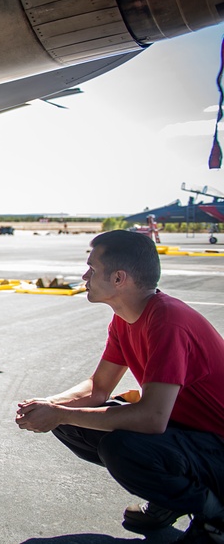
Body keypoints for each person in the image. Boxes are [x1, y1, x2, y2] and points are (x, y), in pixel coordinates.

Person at [15, 230, 224, 543]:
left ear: (119, 279)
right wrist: (47, 406)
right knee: (71, 422)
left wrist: (58, 413)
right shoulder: (125, 320)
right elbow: (98, 388)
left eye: (93, 269)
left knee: (123, 447)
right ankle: (170, 499)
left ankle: (215, 513)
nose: (85, 276)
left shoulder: (168, 322)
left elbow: (151, 419)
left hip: (216, 445)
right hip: (187, 433)